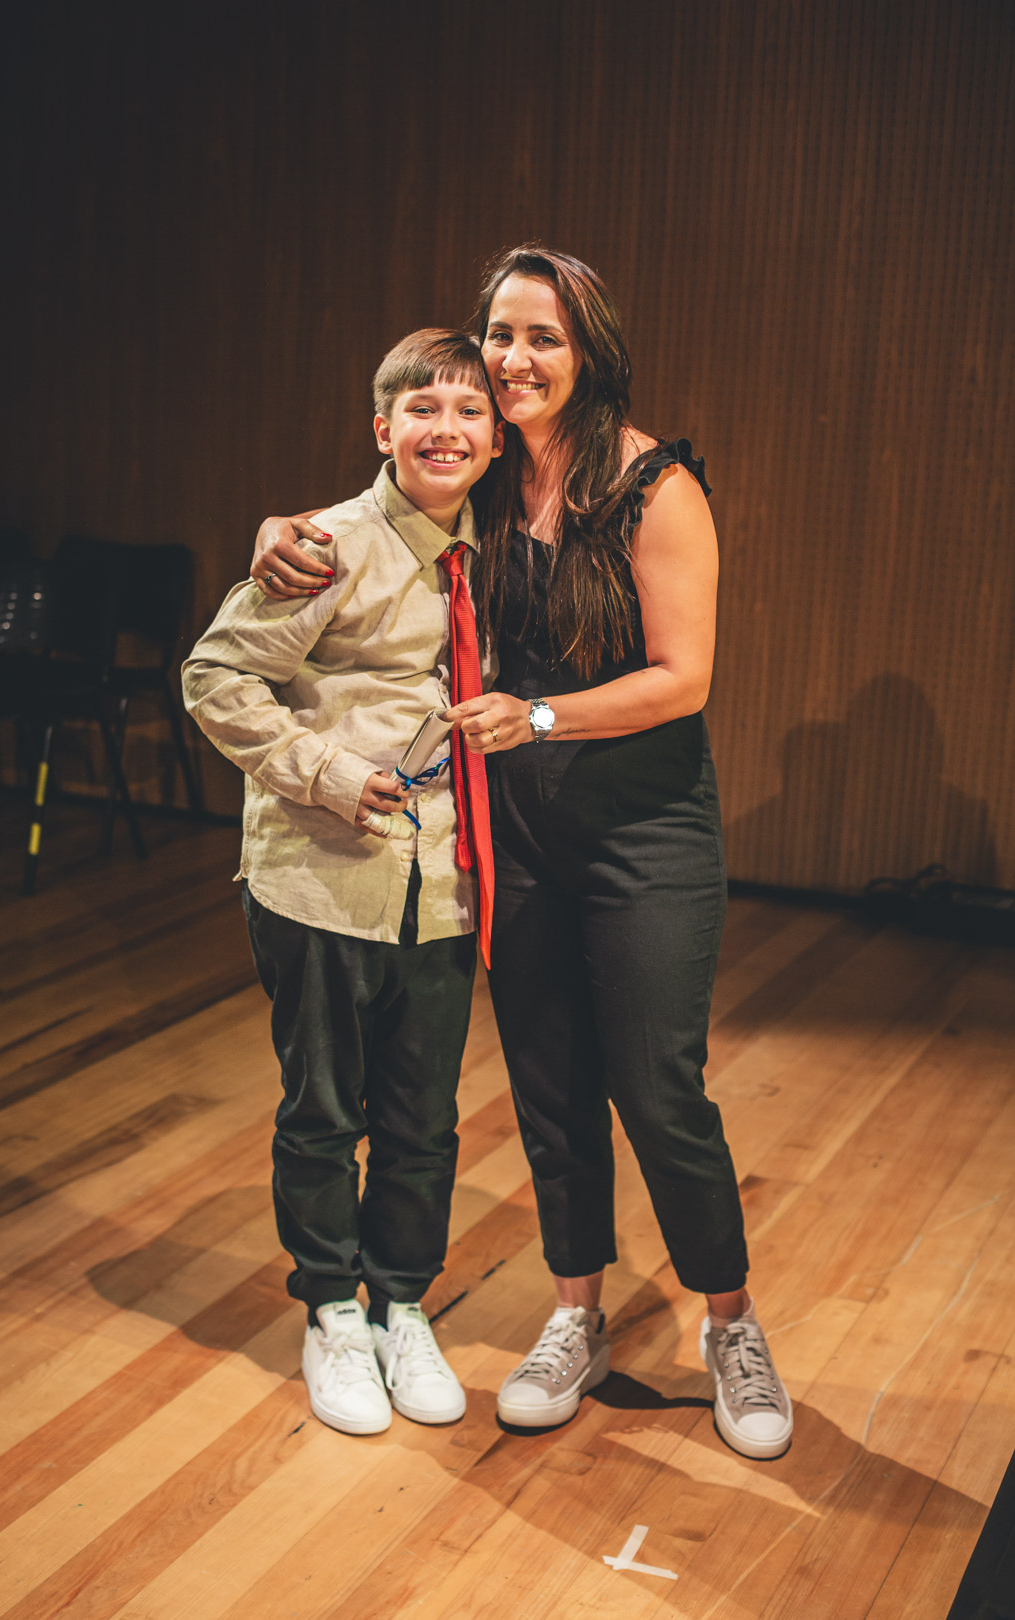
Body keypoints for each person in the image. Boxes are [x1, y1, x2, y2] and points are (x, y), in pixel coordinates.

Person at [250, 246, 793, 1460]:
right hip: (520, 838)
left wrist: (538, 716)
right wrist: (279, 530)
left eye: (544, 336)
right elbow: (374, 508)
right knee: (548, 1090)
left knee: (657, 1087)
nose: (514, 358)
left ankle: (731, 1325)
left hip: (644, 829)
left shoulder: (654, 485)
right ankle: (574, 1314)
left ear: (590, 350)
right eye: (500, 334)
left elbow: (685, 679)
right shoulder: (486, 478)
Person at [183, 328, 502, 1437]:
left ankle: (402, 1304)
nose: (445, 430)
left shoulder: (504, 554)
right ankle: (330, 1311)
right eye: (423, 409)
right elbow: (215, 674)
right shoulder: (327, 547)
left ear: (496, 439)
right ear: (383, 429)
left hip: (447, 883)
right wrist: (323, 772)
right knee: (323, 1110)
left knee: (423, 1117)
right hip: (324, 877)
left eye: (469, 411)